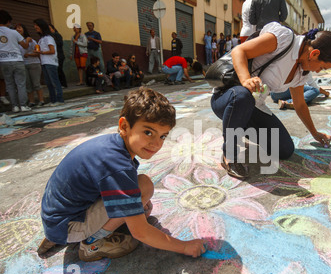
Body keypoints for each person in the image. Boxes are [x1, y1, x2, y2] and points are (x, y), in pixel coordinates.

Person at [37, 87, 206, 262]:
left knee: (140, 189)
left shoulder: (111, 146)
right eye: (148, 132)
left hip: (58, 218)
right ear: (124, 126)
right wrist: (184, 246)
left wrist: (133, 208)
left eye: (163, 136)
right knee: (143, 187)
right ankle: (91, 243)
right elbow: (140, 232)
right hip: (67, 225)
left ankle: (60, 234)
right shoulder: (117, 165)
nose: (156, 144)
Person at [210, 23, 331, 180]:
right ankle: (230, 156)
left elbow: (300, 104)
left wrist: (314, 133)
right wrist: (246, 80)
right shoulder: (284, 38)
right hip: (228, 98)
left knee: (284, 150)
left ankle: (237, 128)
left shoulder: (301, 72)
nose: (318, 71)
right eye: (321, 67)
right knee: (243, 96)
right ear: (314, 54)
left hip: (254, 106)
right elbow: (239, 50)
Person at [0, 10, 31, 113]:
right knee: (20, 84)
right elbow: (25, 46)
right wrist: (27, 40)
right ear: (8, 21)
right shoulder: (14, 32)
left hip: (3, 61)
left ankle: (15, 106)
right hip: (17, 60)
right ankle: (23, 105)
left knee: (9, 84)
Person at [34, 19, 64, 106]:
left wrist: (41, 52)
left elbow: (52, 51)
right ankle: (53, 100)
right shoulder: (41, 39)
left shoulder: (48, 38)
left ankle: (59, 99)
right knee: (49, 83)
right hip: (44, 62)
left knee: (54, 81)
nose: (35, 27)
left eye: (37, 25)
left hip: (50, 63)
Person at [15, 24, 45, 107]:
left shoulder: (31, 40)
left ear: (24, 29)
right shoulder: (15, 42)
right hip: (23, 64)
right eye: (16, 28)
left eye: (19, 28)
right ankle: (31, 101)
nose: (18, 30)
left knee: (36, 83)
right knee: (28, 85)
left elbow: (37, 53)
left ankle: (41, 100)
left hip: (33, 64)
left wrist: (29, 55)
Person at [48, 24, 68, 89]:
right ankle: (58, 83)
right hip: (54, 56)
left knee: (59, 69)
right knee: (56, 70)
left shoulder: (57, 35)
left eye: (50, 28)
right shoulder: (49, 37)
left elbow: (60, 43)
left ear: (53, 28)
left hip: (59, 55)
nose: (49, 30)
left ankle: (63, 84)